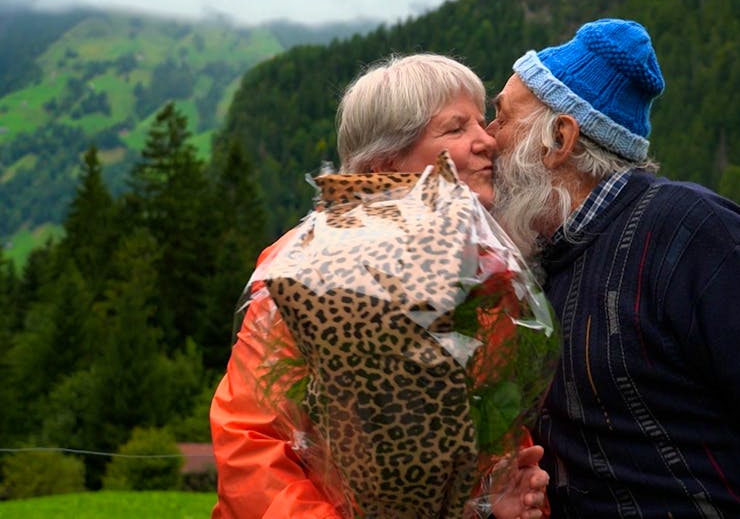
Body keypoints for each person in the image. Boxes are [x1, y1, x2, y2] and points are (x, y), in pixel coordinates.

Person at [486, 18, 740, 518]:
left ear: (559, 139)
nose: (488, 139)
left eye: (501, 118)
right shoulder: (543, 264)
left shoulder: (693, 234)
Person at [211, 53, 549, 519]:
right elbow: (252, 445)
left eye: (481, 122)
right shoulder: (309, 267)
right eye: (456, 129)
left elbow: (493, 435)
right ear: (386, 161)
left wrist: (497, 501)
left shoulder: (488, 270)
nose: (486, 141)